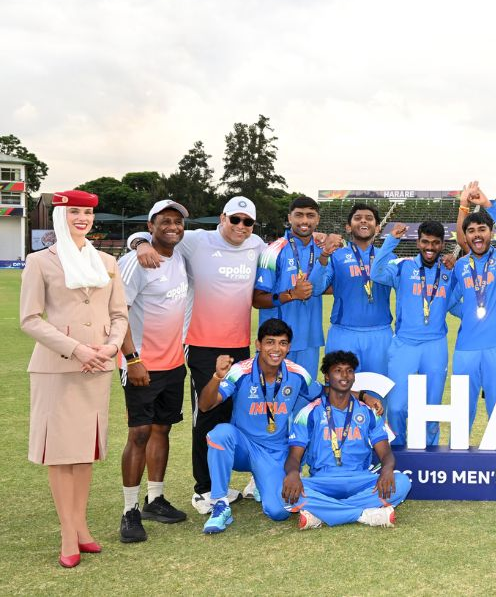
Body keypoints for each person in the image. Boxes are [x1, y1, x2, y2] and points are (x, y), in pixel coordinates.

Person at [128, 196, 266, 513]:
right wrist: (141, 244)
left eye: (247, 222)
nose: (241, 226)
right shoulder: (196, 241)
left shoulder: (256, 245)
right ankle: (204, 490)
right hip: (201, 343)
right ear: (222, 218)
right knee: (206, 414)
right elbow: (154, 234)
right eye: (235, 219)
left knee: (234, 414)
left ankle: (225, 482)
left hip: (239, 345)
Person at [20, 190, 128, 568]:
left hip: (97, 368)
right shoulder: (40, 261)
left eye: (87, 212)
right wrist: (77, 349)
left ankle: (81, 527)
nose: (82, 218)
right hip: (58, 369)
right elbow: (30, 319)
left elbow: (119, 314)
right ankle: (68, 534)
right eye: (74, 212)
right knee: (61, 455)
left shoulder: (107, 261)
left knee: (84, 454)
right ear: (59, 216)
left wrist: (111, 347)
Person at [198, 319, 322, 534]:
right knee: (220, 434)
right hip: (243, 447)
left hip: (275, 452)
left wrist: (363, 396)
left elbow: (325, 393)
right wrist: (217, 376)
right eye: (270, 342)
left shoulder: (298, 373)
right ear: (258, 344)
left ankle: (262, 481)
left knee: (279, 512)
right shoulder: (240, 371)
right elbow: (205, 405)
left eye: (282, 343)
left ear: (289, 347)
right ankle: (219, 504)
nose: (276, 349)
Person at [116, 199, 191, 543]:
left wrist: (139, 241)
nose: (173, 227)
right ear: (151, 226)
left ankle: (154, 499)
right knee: (139, 433)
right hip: (142, 364)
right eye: (165, 221)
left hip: (173, 363)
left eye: (178, 221)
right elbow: (118, 313)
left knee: (162, 429)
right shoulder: (136, 262)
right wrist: (132, 359)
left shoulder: (181, 257)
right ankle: (129, 510)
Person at [284, 351, 411, 529]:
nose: (344, 375)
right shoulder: (309, 412)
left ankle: (322, 513)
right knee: (281, 491)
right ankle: (364, 514)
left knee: (402, 482)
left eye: (349, 371)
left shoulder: (368, 412)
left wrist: (387, 469)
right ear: (327, 376)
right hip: (323, 481)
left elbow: (385, 453)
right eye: (338, 370)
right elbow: (294, 456)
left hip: (360, 479)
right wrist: (292, 474)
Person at [449, 183, 496, 438]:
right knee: (461, 411)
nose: (477, 235)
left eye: (482, 229)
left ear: (491, 232)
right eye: (471, 231)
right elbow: (449, 301)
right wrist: (469, 312)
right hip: (466, 347)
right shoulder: (461, 265)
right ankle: (457, 457)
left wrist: (489, 205)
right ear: (466, 236)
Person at [371, 220, 453, 447]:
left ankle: (430, 453)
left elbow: (455, 302)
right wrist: (391, 240)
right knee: (397, 407)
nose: (430, 247)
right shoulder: (402, 266)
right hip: (404, 345)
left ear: (442, 244)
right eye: (425, 242)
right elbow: (376, 273)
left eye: (435, 243)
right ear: (418, 242)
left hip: (435, 345)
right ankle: (399, 452)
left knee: (431, 408)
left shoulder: (448, 271)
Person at [253, 196, 340, 375]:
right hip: (277, 342)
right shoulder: (273, 251)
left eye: (310, 215)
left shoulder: (324, 250)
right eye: (299, 215)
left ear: (318, 219)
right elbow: (258, 300)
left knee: (305, 390)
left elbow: (326, 287)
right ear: (289, 218)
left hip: (310, 340)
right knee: (273, 391)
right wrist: (292, 294)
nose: (304, 221)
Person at [324, 203, 394, 375]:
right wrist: (323, 255)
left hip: (380, 334)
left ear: (377, 228)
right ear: (348, 227)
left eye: (369, 218)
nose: (363, 221)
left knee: (380, 389)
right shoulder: (336, 255)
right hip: (344, 334)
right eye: (358, 218)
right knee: (341, 389)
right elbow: (318, 287)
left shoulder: (389, 257)